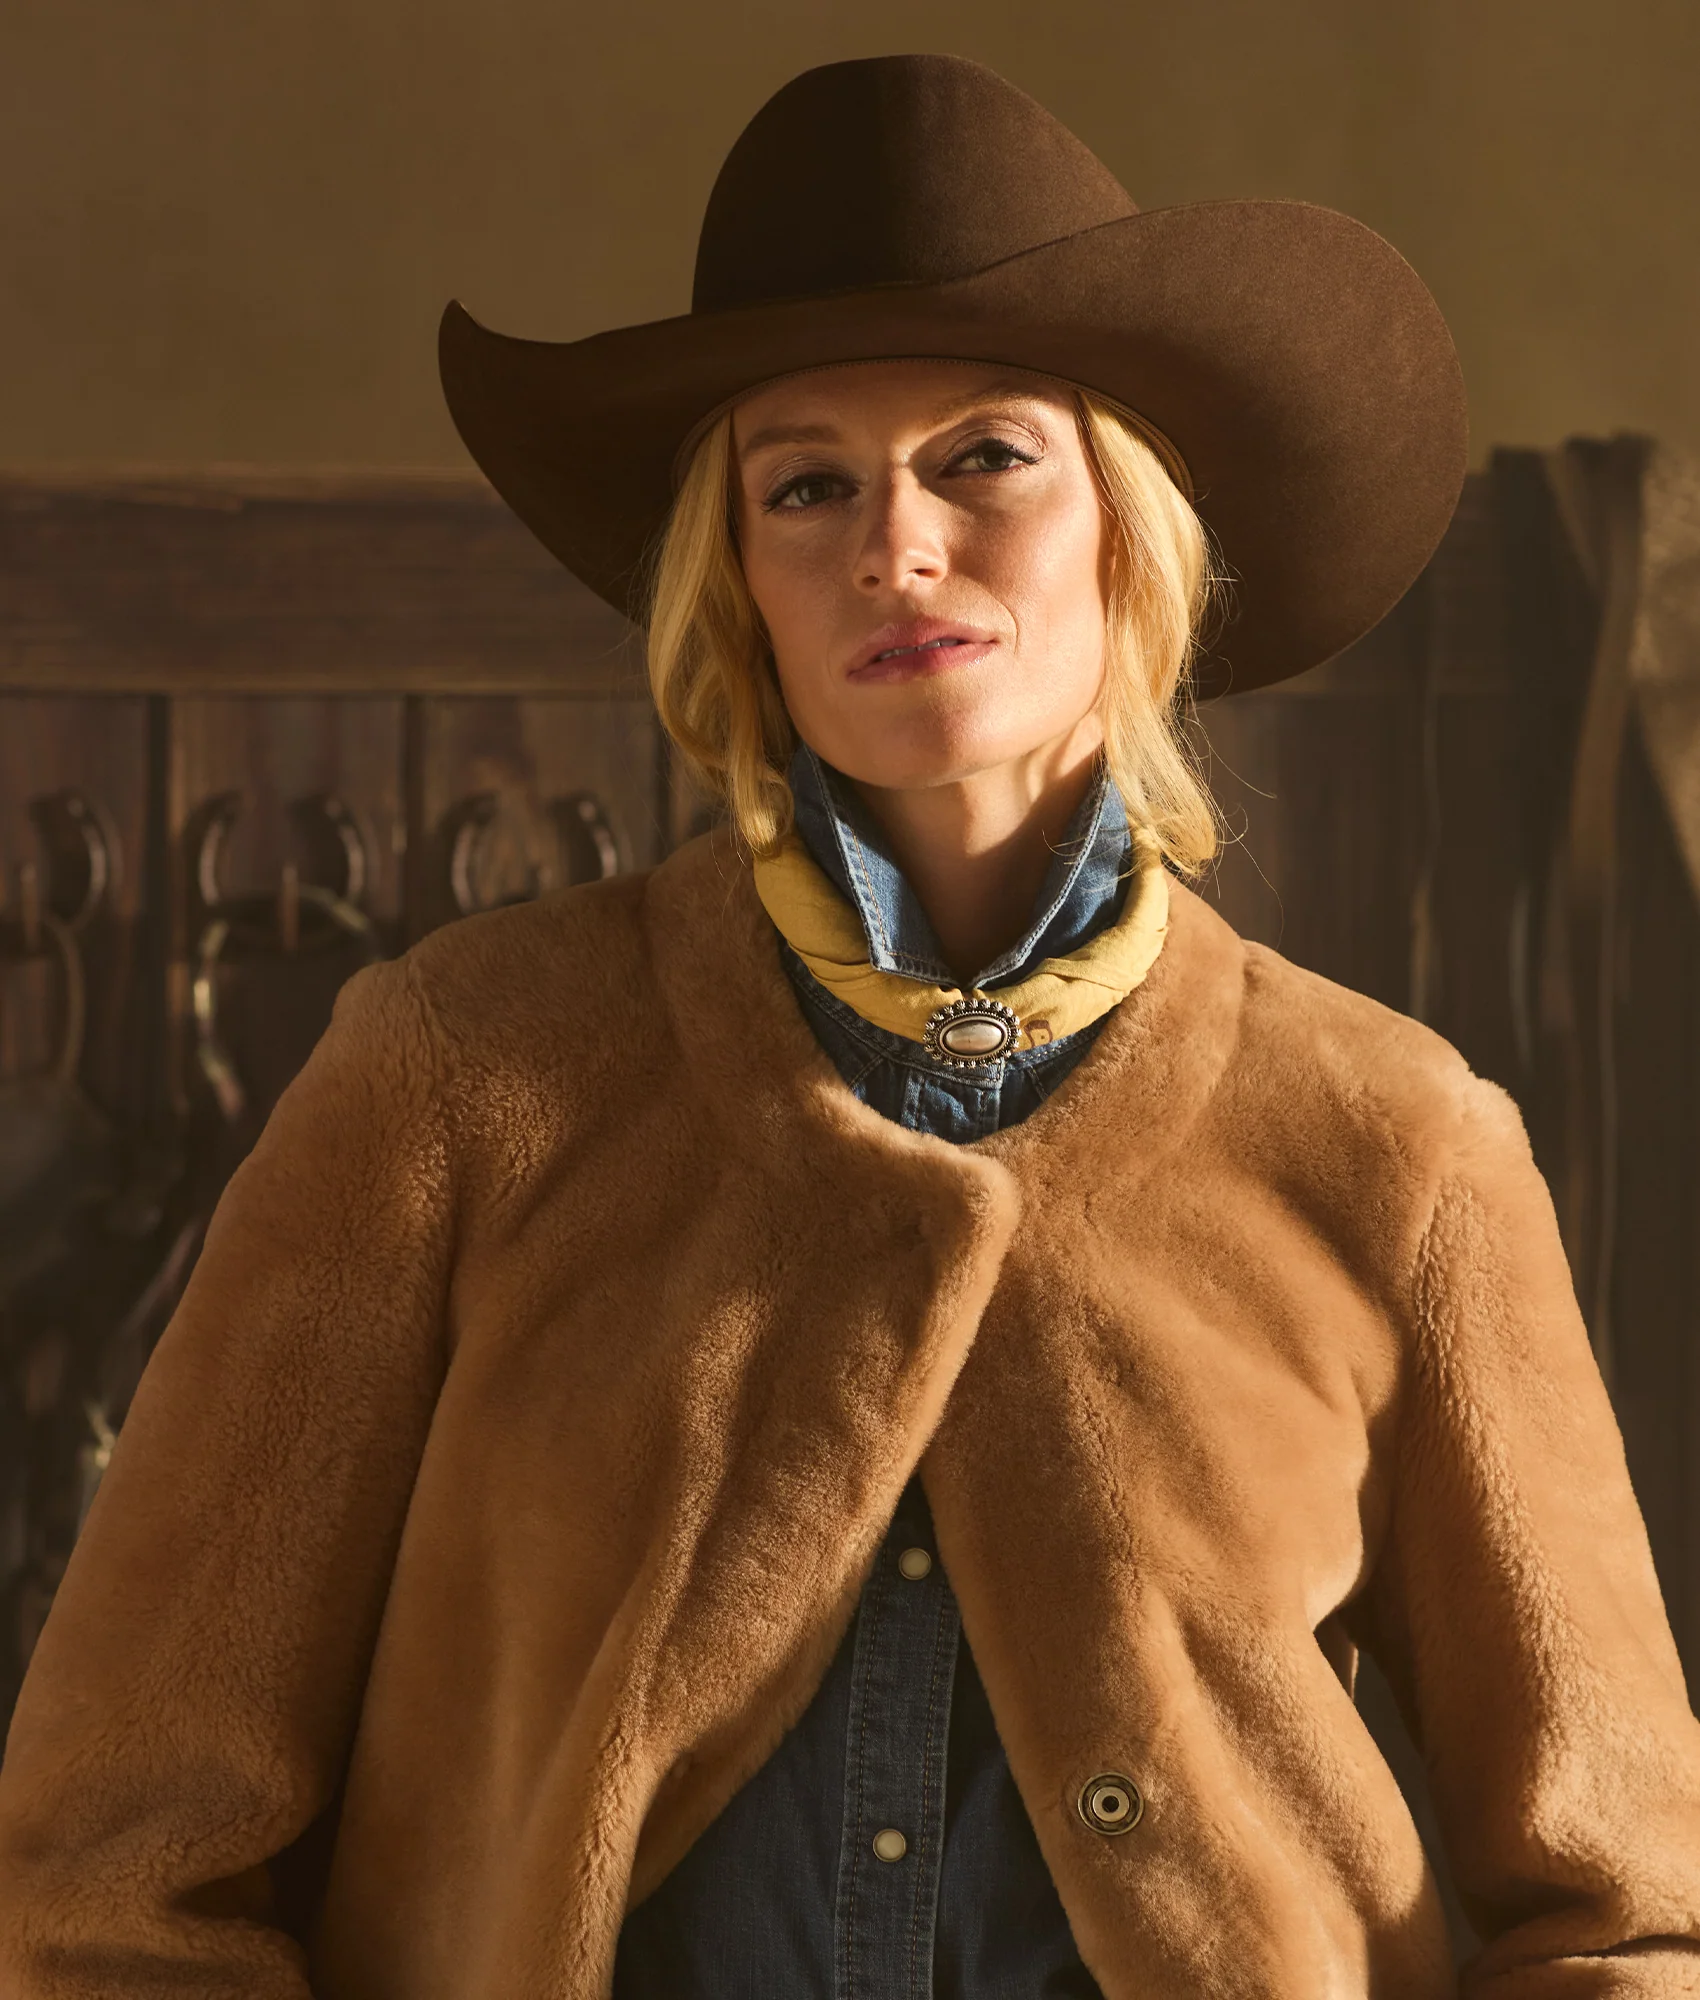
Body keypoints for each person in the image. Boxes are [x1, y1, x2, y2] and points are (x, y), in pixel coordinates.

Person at [3, 50, 1699, 2000]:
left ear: (1130, 528)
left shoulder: (1398, 1142)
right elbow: (112, 1868)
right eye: (805, 485)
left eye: (985, 458)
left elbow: (1635, 1907)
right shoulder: (459, 1076)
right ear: (736, 584)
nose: (896, 546)